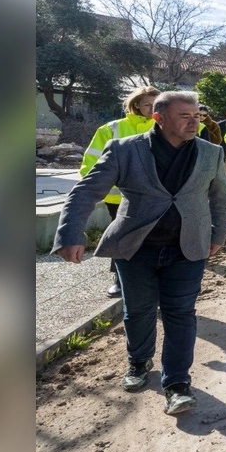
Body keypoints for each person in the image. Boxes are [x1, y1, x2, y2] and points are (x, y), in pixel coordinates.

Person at [53, 91, 226, 416]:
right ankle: (138, 362)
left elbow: (219, 197)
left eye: (197, 115)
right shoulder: (124, 150)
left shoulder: (211, 153)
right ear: (158, 118)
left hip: (187, 248)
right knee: (138, 311)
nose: (194, 121)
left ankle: (177, 385)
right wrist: (70, 233)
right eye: (185, 116)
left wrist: (218, 234)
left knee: (180, 314)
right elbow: (86, 192)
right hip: (135, 248)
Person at [79, 85, 161, 298]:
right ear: (136, 105)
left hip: (156, 197)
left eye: (156, 105)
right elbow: (91, 163)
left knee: (153, 238)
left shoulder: (164, 128)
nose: (152, 109)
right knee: (124, 238)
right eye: (147, 105)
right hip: (118, 198)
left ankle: (152, 282)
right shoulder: (111, 129)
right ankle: (120, 280)